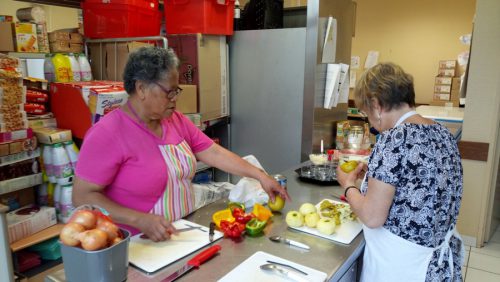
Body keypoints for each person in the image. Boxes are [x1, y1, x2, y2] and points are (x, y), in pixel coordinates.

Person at [73, 47, 289, 242]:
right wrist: (138, 219)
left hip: (182, 235)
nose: (175, 98)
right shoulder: (107, 134)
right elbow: (82, 196)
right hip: (137, 244)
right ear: (141, 89)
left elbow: (213, 152)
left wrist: (260, 176)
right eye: (170, 91)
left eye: (177, 91)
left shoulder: (174, 120)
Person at [336, 63, 464, 281]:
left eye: (367, 113)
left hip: (402, 266)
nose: (371, 122)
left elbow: (372, 216)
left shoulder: (394, 139)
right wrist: (376, 175)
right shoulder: (442, 133)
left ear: (376, 105)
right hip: (437, 266)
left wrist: (348, 185)